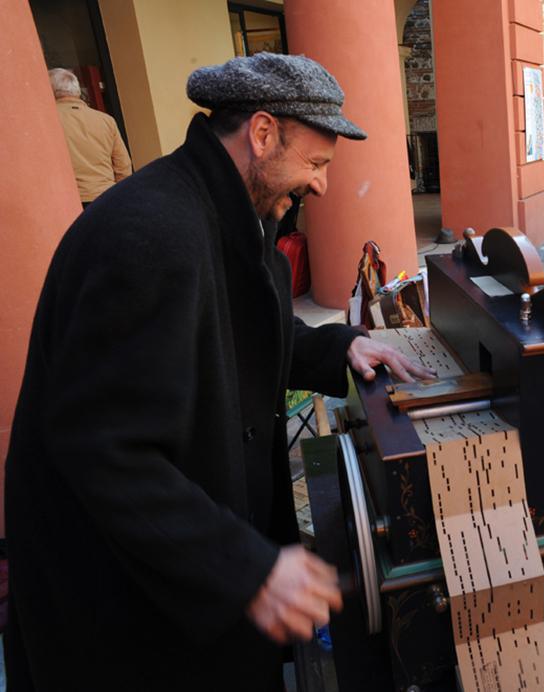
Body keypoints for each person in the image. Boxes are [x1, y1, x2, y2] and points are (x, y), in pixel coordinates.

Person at [5, 53, 436, 690]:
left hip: (180, 573)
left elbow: (243, 328)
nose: (319, 187)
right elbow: (103, 450)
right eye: (315, 164)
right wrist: (248, 567)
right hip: (119, 598)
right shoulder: (150, 235)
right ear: (262, 134)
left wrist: (339, 346)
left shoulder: (238, 212)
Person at [49, 67, 133, 207]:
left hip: (68, 200)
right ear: (77, 91)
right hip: (106, 196)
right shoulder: (106, 120)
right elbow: (123, 165)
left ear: (50, 91)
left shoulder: (47, 120)